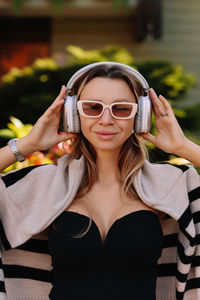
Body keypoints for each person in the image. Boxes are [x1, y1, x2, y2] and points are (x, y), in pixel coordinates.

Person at [0, 61, 200, 300]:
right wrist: (26, 145)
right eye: (93, 107)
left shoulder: (171, 186)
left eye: (122, 109)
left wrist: (183, 146)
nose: (106, 120)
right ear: (74, 114)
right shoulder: (43, 185)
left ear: (141, 115)